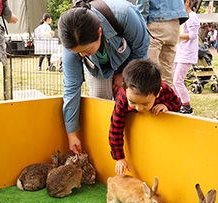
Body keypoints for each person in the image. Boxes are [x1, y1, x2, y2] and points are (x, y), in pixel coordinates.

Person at [58, 0, 150, 154]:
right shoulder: (71, 44)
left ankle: (138, 147)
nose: (82, 55)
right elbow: (71, 87)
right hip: (98, 70)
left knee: (134, 101)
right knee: (101, 105)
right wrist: (71, 134)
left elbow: (141, 50)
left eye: (86, 49)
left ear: (99, 32)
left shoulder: (125, 14)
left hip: (131, 61)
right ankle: (109, 152)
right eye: (78, 52)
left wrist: (125, 74)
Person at [109, 59, 181, 175]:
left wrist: (166, 105)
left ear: (157, 94)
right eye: (132, 102)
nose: (138, 108)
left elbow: (177, 104)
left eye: (145, 104)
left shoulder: (165, 90)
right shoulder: (122, 98)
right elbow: (115, 128)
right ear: (125, 88)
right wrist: (119, 157)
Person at [136, 0, 188, 88]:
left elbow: (143, 3)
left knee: (150, 72)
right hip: (174, 23)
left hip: (156, 22)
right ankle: (168, 100)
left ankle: (152, 101)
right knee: (167, 74)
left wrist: (141, 23)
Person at [173, 0, 200, 114]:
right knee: (173, 80)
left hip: (187, 55)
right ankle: (176, 102)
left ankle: (187, 106)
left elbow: (193, 35)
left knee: (178, 80)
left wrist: (176, 35)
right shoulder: (182, 17)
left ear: (187, 2)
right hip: (179, 53)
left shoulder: (192, 17)